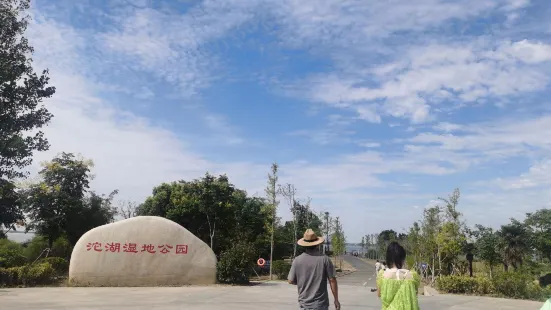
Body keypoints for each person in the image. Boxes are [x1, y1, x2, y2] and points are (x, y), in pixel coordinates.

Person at [288, 229, 341, 310]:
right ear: (317, 244)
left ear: (304, 245)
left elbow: (290, 281)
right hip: (321, 305)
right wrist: (336, 300)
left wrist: (303, 281)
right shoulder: (325, 259)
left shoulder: (297, 260)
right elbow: (332, 280)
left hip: (304, 305)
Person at [376, 242, 420, 310]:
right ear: (402, 259)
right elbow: (415, 294)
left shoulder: (383, 275)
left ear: (388, 258)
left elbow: (379, 294)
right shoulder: (412, 275)